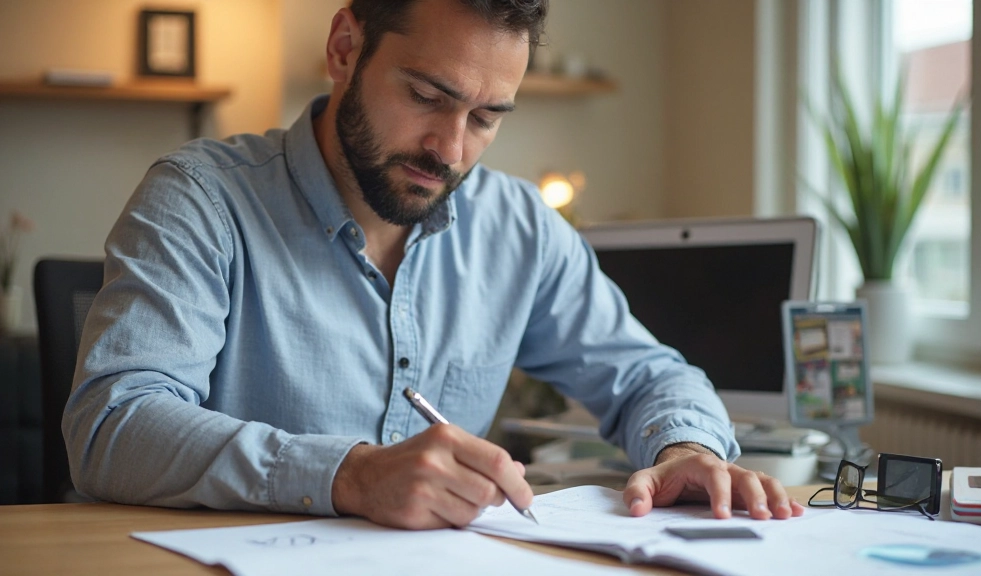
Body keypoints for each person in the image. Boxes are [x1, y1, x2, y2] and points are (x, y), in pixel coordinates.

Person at [65, 0, 804, 530]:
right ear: (345, 48)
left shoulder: (518, 227)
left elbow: (647, 374)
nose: (450, 150)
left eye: (486, 118)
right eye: (426, 95)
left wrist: (685, 448)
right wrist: (350, 475)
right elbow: (113, 427)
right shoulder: (200, 199)